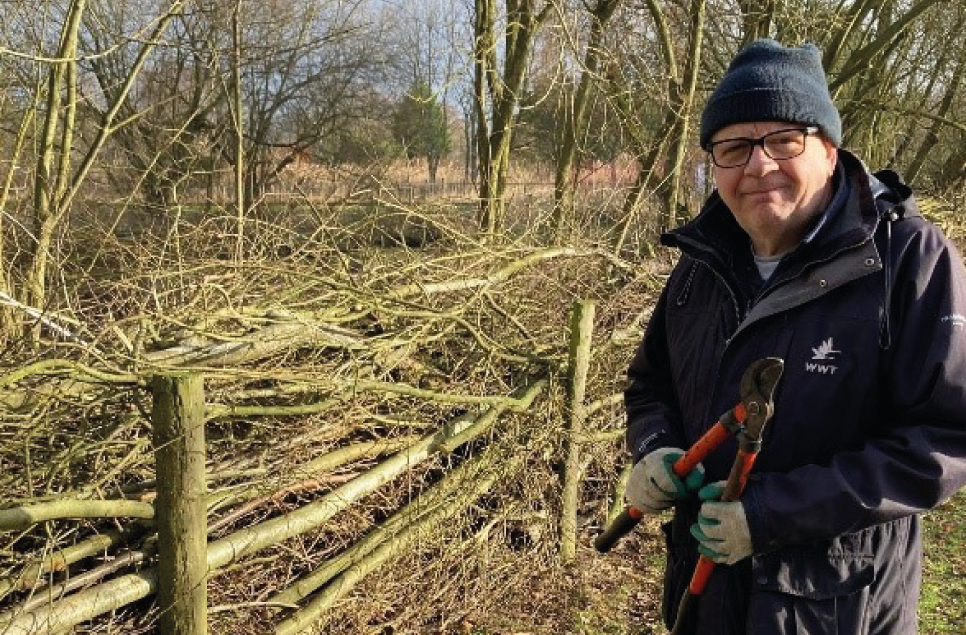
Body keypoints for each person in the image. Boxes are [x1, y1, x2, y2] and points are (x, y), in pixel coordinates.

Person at [623, 38, 966, 635]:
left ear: (830, 151)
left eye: (784, 140)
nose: (758, 166)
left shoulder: (907, 258)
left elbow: (944, 438)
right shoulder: (698, 265)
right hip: (702, 600)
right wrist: (654, 447)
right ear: (713, 165)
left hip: (838, 609)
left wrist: (770, 514)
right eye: (732, 148)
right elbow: (650, 383)